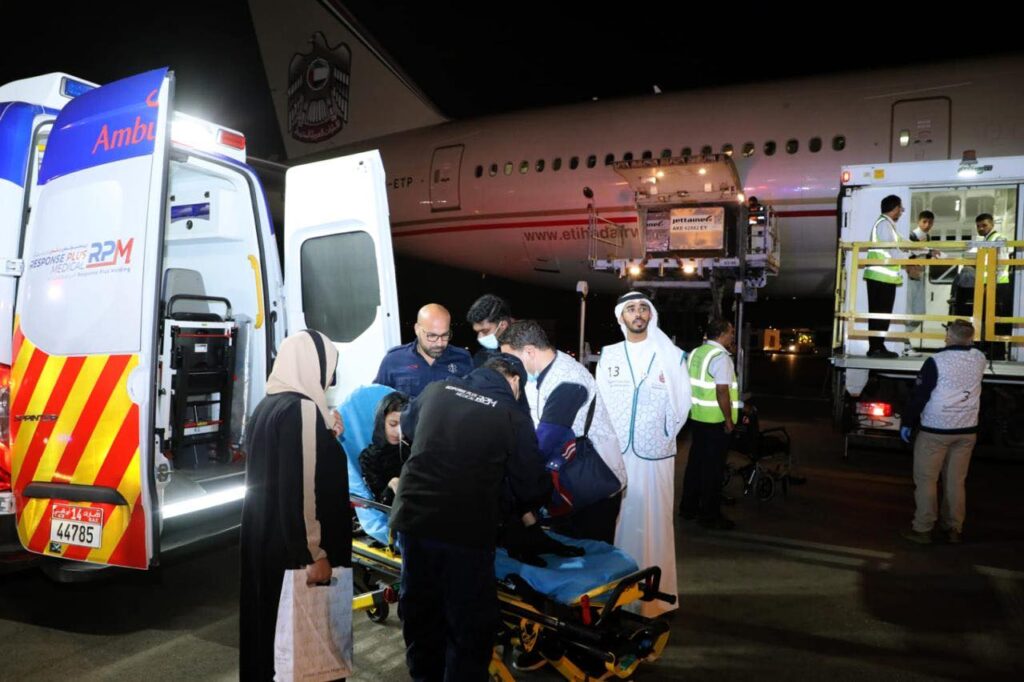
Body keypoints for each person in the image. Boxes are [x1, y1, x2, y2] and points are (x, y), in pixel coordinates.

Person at [390, 355, 552, 681]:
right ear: (514, 381)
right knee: (468, 624)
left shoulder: (437, 389)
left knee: (422, 613)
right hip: (465, 532)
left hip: (413, 519)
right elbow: (531, 486)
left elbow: (407, 428)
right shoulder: (512, 416)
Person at [239, 330, 350, 681]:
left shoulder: (267, 406)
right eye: (329, 367)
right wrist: (313, 553)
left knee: (271, 641)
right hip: (296, 555)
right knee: (306, 652)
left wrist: (326, 435)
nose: (330, 378)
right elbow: (302, 489)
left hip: (268, 545)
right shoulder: (301, 408)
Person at [596, 292, 690, 617]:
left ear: (651, 315)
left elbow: (683, 403)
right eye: (631, 309)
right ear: (621, 317)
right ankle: (618, 594)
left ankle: (655, 599)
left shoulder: (671, 356)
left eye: (642, 309)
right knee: (620, 521)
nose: (637, 314)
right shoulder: (609, 354)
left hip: (655, 457)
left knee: (656, 522)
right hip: (618, 454)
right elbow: (601, 403)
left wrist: (662, 433)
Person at [499, 319, 627, 543]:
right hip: (573, 477)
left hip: (594, 483)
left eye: (511, 359)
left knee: (590, 555)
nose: (510, 367)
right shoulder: (547, 369)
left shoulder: (568, 381)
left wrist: (506, 469)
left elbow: (544, 443)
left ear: (529, 352)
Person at [899, 319, 986, 545]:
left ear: (948, 337)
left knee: (926, 480)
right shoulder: (979, 358)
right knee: (956, 481)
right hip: (966, 430)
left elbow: (920, 395)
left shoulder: (935, 361)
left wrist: (907, 422)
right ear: (971, 339)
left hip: (936, 430)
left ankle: (923, 529)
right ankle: (953, 528)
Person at [680, 319, 739, 530]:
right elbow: (722, 390)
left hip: (697, 417)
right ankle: (709, 515)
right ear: (722, 334)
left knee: (695, 465)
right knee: (713, 470)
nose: (733, 335)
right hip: (715, 421)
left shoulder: (696, 352)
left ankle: (688, 508)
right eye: (731, 332)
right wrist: (729, 419)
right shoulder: (721, 358)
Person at [374, 303, 473, 397]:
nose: (439, 343)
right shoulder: (394, 359)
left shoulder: (463, 358)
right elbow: (376, 399)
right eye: (432, 336)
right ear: (417, 329)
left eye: (445, 335)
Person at [957, 213, 1013, 360]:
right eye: (978, 226)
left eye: (984, 225)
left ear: (992, 225)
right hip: (988, 284)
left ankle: (997, 353)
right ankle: (988, 350)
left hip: (998, 285)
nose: (981, 228)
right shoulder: (985, 241)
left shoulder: (998, 239)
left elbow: (1001, 262)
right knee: (986, 319)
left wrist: (991, 283)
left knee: (995, 320)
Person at [864, 195, 906, 358]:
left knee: (881, 314)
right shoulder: (884, 225)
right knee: (880, 314)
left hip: (882, 278)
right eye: (900, 208)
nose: (901, 212)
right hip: (880, 277)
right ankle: (876, 348)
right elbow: (893, 251)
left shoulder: (887, 225)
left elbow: (904, 244)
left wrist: (925, 250)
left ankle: (878, 346)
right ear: (895, 208)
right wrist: (910, 259)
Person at [358, 391, 409, 505]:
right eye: (393, 424)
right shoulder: (369, 458)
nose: (399, 432)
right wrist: (391, 485)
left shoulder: (413, 448)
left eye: (404, 425)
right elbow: (380, 501)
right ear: (382, 422)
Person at [905, 210, 935, 339]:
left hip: (921, 275)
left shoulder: (928, 237)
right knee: (909, 311)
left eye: (930, 222)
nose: (927, 225)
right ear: (918, 222)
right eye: (924, 222)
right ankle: (904, 340)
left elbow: (925, 255)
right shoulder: (911, 236)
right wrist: (920, 248)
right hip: (910, 276)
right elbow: (907, 254)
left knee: (920, 311)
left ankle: (906, 338)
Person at [466, 294, 513, 368]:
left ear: (503, 325)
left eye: (485, 331)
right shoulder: (481, 357)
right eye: (477, 332)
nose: (480, 337)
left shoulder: (526, 352)